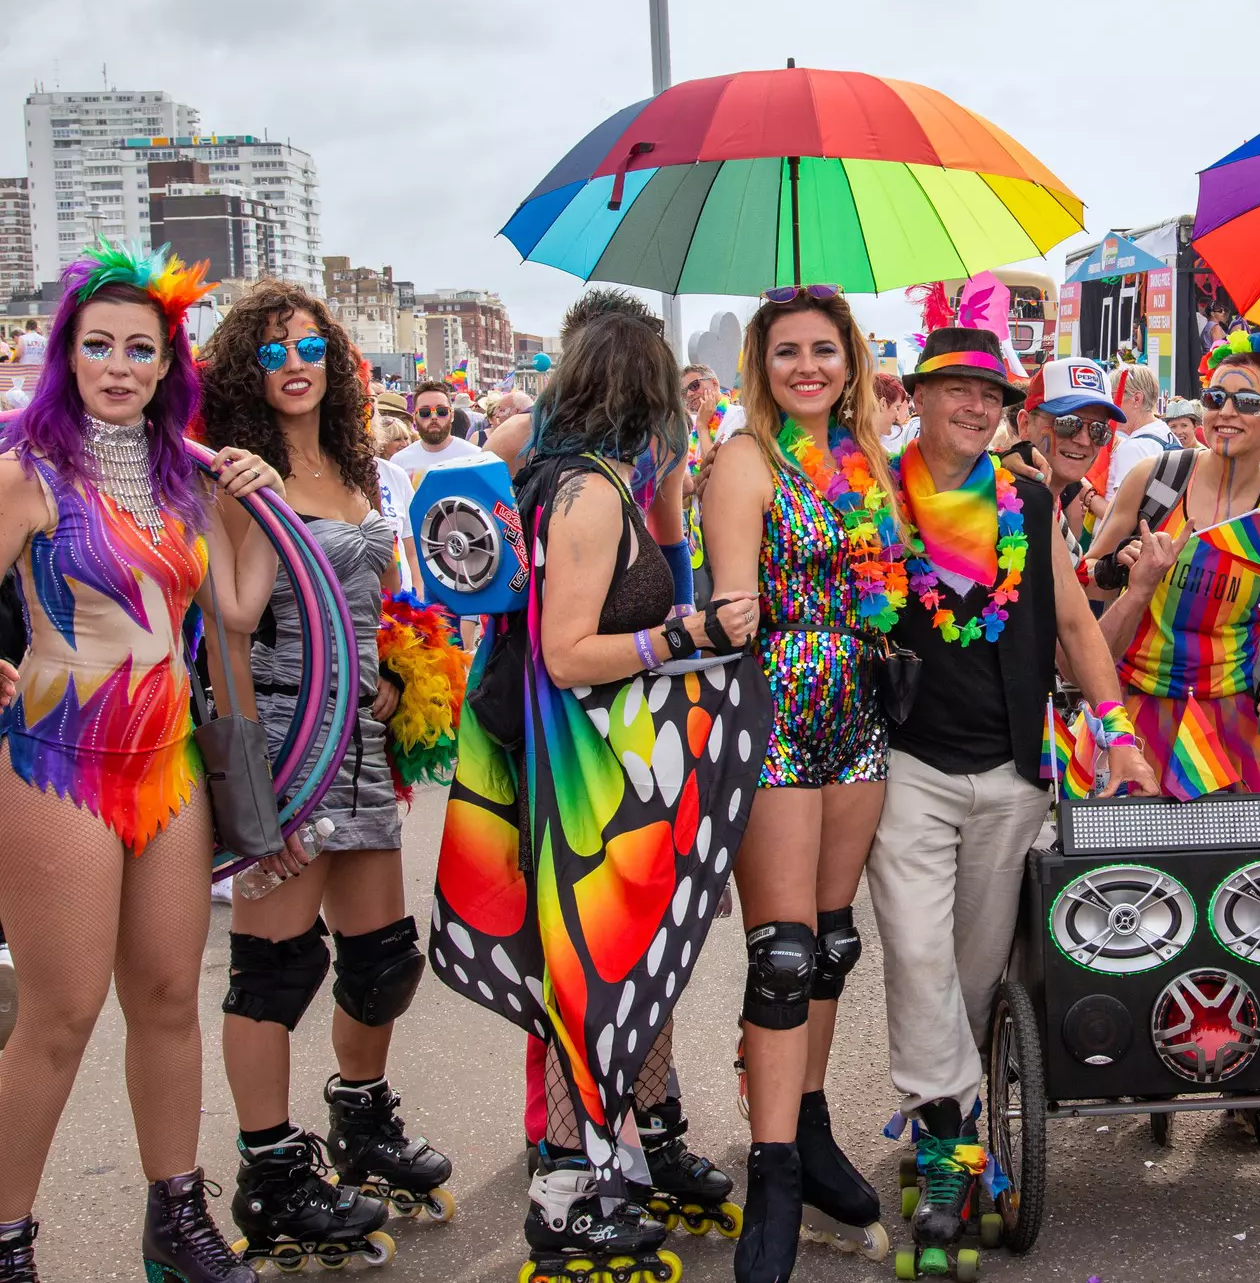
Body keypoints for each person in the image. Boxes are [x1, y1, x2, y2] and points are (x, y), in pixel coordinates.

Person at [429, 309, 761, 1281]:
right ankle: (565, 1196)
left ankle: (637, 1146)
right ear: (647, 394)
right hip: (568, 773)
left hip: (591, 765)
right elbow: (567, 653)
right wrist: (685, 635)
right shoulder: (584, 495)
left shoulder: (592, 479)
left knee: (629, 971)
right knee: (589, 985)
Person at [0, 240, 284, 1283]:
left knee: (168, 995)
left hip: (165, 765)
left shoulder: (186, 482)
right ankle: (5, 1236)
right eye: (99, 345)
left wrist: (248, 505)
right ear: (66, 355)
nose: (120, 364)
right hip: (56, 761)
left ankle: (177, 1219)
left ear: (170, 366)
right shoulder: (24, 477)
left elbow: (238, 612)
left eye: (141, 349)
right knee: (61, 1012)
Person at [868, 328, 1157, 1269]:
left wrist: (1116, 735)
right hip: (909, 763)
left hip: (1012, 771)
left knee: (976, 969)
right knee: (915, 951)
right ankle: (950, 1150)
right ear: (918, 396)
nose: (977, 407)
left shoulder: (1027, 501)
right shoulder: (876, 496)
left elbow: (1073, 622)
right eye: (958, 390)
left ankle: (942, 1116)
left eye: (991, 395)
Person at [196, 280, 454, 1268]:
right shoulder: (234, 477)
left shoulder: (360, 468)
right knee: (277, 966)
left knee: (384, 955)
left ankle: (362, 1123)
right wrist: (256, 783)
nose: (294, 362)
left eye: (309, 345)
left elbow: (378, 607)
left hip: (361, 739)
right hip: (283, 738)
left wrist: (397, 676)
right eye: (271, 351)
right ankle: (270, 1173)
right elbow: (224, 630)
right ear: (243, 371)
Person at [699, 285, 906, 1283]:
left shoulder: (865, 464)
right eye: (788, 352)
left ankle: (813, 1130)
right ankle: (771, 1175)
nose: (809, 367)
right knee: (779, 952)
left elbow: (896, 593)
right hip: (773, 703)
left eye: (825, 349)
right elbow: (733, 602)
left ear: (850, 360)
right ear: (761, 365)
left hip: (857, 707)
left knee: (829, 942)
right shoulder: (745, 459)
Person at [1084, 333, 1260, 797]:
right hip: (1137, 712)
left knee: (1233, 867)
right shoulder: (1156, 479)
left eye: (1248, 402)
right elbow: (1084, 577)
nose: (1226, 412)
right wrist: (1116, 568)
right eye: (1215, 397)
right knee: (1135, 866)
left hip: (1233, 725)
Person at [1011, 357, 1125, 571]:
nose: (1083, 441)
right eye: (1067, 424)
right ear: (1025, 424)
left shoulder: (1052, 506)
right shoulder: (994, 499)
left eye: (1098, 430)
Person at [390, 382, 486, 477]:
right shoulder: (399, 462)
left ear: (452, 415)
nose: (434, 417)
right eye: (425, 412)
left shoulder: (475, 456)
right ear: (414, 418)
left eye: (441, 411)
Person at [1105, 363, 1174, 492]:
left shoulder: (1133, 448)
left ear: (1137, 399)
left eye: (1113, 396)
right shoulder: (1166, 433)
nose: (1108, 404)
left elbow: (1121, 511)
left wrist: (1086, 492)